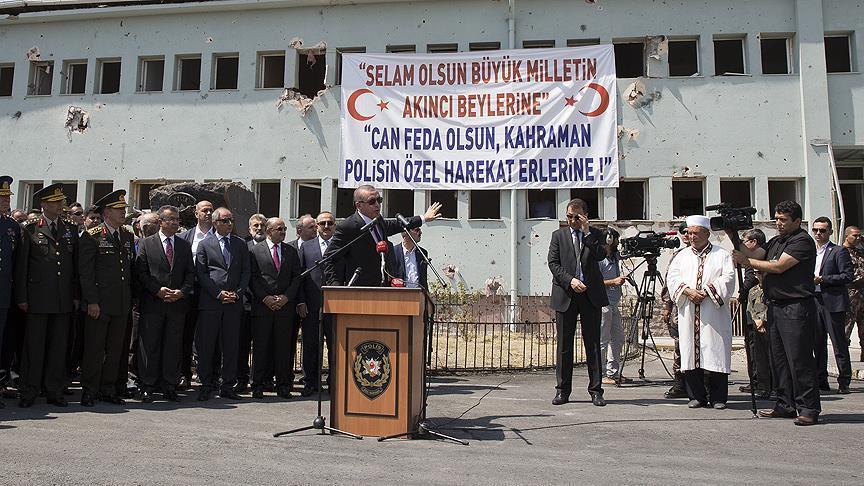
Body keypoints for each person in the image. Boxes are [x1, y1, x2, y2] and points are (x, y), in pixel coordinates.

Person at [733, 200, 821, 426]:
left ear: (797, 221)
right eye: (777, 218)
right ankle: (785, 404)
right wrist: (732, 232)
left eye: (783, 219)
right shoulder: (776, 241)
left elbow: (780, 266)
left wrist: (747, 261)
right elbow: (754, 253)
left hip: (796, 306)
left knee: (799, 359)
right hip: (775, 305)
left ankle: (808, 408)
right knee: (778, 360)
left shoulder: (802, 241)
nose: (778, 223)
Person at [15, 183, 78, 408]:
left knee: (58, 347)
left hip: (62, 298)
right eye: (55, 202)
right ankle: (29, 391)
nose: (60, 206)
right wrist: (22, 297)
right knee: (34, 347)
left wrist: (75, 295)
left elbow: (74, 267)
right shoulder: (30, 228)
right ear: (43, 204)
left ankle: (54, 390)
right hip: (38, 298)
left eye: (61, 202)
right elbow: (22, 266)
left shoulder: (69, 228)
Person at [667, 215, 736, 409]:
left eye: (696, 233)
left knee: (716, 351)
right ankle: (696, 396)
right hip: (689, 311)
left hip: (713, 312)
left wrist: (706, 292)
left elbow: (728, 278)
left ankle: (718, 398)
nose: (692, 237)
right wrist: (687, 291)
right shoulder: (681, 256)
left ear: (707, 234)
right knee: (690, 352)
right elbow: (672, 278)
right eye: (689, 233)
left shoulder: (721, 255)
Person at [548, 198, 608, 407]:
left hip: (590, 295)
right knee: (564, 345)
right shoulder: (558, 236)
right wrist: (570, 281)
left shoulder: (596, 234)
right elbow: (553, 263)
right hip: (566, 293)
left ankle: (596, 391)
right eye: (569, 217)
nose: (572, 221)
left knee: (593, 344)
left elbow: (600, 255)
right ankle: (562, 390)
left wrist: (587, 231)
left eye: (576, 217)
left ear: (585, 216)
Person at [78, 190, 135, 407]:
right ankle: (89, 389)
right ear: (107, 212)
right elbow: (86, 273)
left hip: (120, 302)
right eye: (119, 209)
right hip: (99, 304)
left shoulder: (127, 236)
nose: (123, 213)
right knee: (94, 349)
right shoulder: (92, 236)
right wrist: (92, 301)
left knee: (115, 349)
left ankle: (108, 388)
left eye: (123, 209)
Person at [323, 185, 441, 287]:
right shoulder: (348, 227)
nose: (377, 205)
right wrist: (335, 287)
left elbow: (397, 224)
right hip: (360, 291)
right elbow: (329, 259)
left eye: (379, 200)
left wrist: (423, 218)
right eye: (372, 201)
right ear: (359, 206)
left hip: (383, 288)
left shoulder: (378, 220)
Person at [134, 205, 195, 403]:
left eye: (177, 219)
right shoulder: (146, 244)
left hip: (176, 305)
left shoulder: (184, 245)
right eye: (171, 219)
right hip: (153, 304)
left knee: (173, 346)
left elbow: (190, 273)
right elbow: (141, 272)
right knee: (150, 346)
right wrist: (157, 290)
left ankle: (169, 385)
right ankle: (147, 386)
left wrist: (181, 292)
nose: (176, 223)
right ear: (160, 222)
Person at [194, 207, 250, 401]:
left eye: (231, 220)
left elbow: (246, 272)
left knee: (231, 346)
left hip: (233, 303)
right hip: (211, 303)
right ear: (215, 222)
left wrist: (237, 293)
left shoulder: (240, 244)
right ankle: (206, 384)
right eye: (225, 221)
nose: (229, 224)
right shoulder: (204, 244)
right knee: (207, 346)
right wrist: (218, 294)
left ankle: (228, 385)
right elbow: (201, 273)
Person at [249, 217, 303, 399]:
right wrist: (265, 298)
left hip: (284, 308)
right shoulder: (255, 251)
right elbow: (253, 278)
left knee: (283, 349)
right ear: (269, 231)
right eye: (279, 229)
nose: (283, 232)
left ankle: (283, 385)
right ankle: (257, 384)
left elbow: (296, 277)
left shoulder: (290, 251)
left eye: (284, 229)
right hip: (263, 308)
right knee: (261, 348)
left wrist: (286, 297)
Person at [810, 217, 854, 394]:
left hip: (832, 300)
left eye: (822, 230)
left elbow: (847, 276)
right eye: (815, 230)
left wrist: (823, 279)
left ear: (830, 232)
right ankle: (821, 379)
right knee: (817, 342)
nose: (818, 233)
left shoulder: (838, 251)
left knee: (838, 342)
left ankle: (844, 380)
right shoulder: (810, 251)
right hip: (814, 299)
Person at [297, 211, 336, 396]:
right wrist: (301, 301)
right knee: (311, 345)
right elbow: (300, 277)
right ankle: (310, 382)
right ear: (317, 226)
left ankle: (334, 381)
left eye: (330, 223)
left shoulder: (341, 245)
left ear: (335, 226)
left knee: (335, 346)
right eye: (322, 223)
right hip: (311, 305)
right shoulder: (306, 247)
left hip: (335, 305)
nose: (326, 226)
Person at [177, 200, 214, 390]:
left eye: (211, 210)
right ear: (196, 213)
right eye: (204, 210)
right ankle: (184, 374)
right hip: (190, 293)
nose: (208, 213)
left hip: (212, 293)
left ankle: (208, 375)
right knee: (186, 335)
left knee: (210, 336)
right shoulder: (185, 238)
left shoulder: (221, 236)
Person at [738, 229, 773, 399]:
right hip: (753, 307)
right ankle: (757, 380)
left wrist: (742, 291)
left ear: (753, 242)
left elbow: (751, 279)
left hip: (763, 310)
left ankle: (767, 384)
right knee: (753, 348)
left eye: (745, 241)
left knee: (765, 351)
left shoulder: (760, 259)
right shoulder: (750, 260)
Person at [237, 213, 267, 394]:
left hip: (264, 305)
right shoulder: (243, 246)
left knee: (262, 346)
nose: (259, 228)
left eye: (262, 225)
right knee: (242, 345)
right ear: (249, 229)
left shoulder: (270, 246)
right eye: (256, 225)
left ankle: (259, 380)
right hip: (246, 303)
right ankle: (241, 379)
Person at [660, 222, 691, 399]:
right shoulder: (678, 255)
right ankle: (680, 383)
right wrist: (667, 305)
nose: (686, 235)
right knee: (679, 347)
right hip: (678, 308)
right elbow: (669, 282)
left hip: (698, 307)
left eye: (689, 232)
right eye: (683, 232)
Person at [0, 176, 20, 408]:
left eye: (7, 197)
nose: (6, 200)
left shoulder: (11, 226)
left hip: (5, 294)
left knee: (4, 342)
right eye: (2, 197)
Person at [599, 228, 626, 385]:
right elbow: (592, 282)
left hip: (614, 303)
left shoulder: (614, 257)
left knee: (618, 338)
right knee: (602, 340)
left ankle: (613, 372)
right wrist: (613, 282)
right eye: (616, 239)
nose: (618, 243)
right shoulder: (599, 259)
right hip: (603, 304)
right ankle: (600, 374)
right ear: (609, 240)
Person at [843, 226, 864, 360]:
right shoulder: (840, 252)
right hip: (849, 293)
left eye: (859, 235)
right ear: (847, 236)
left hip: (862, 292)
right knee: (846, 327)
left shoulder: (861, 251)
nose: (858, 238)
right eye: (854, 235)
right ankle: (843, 359)